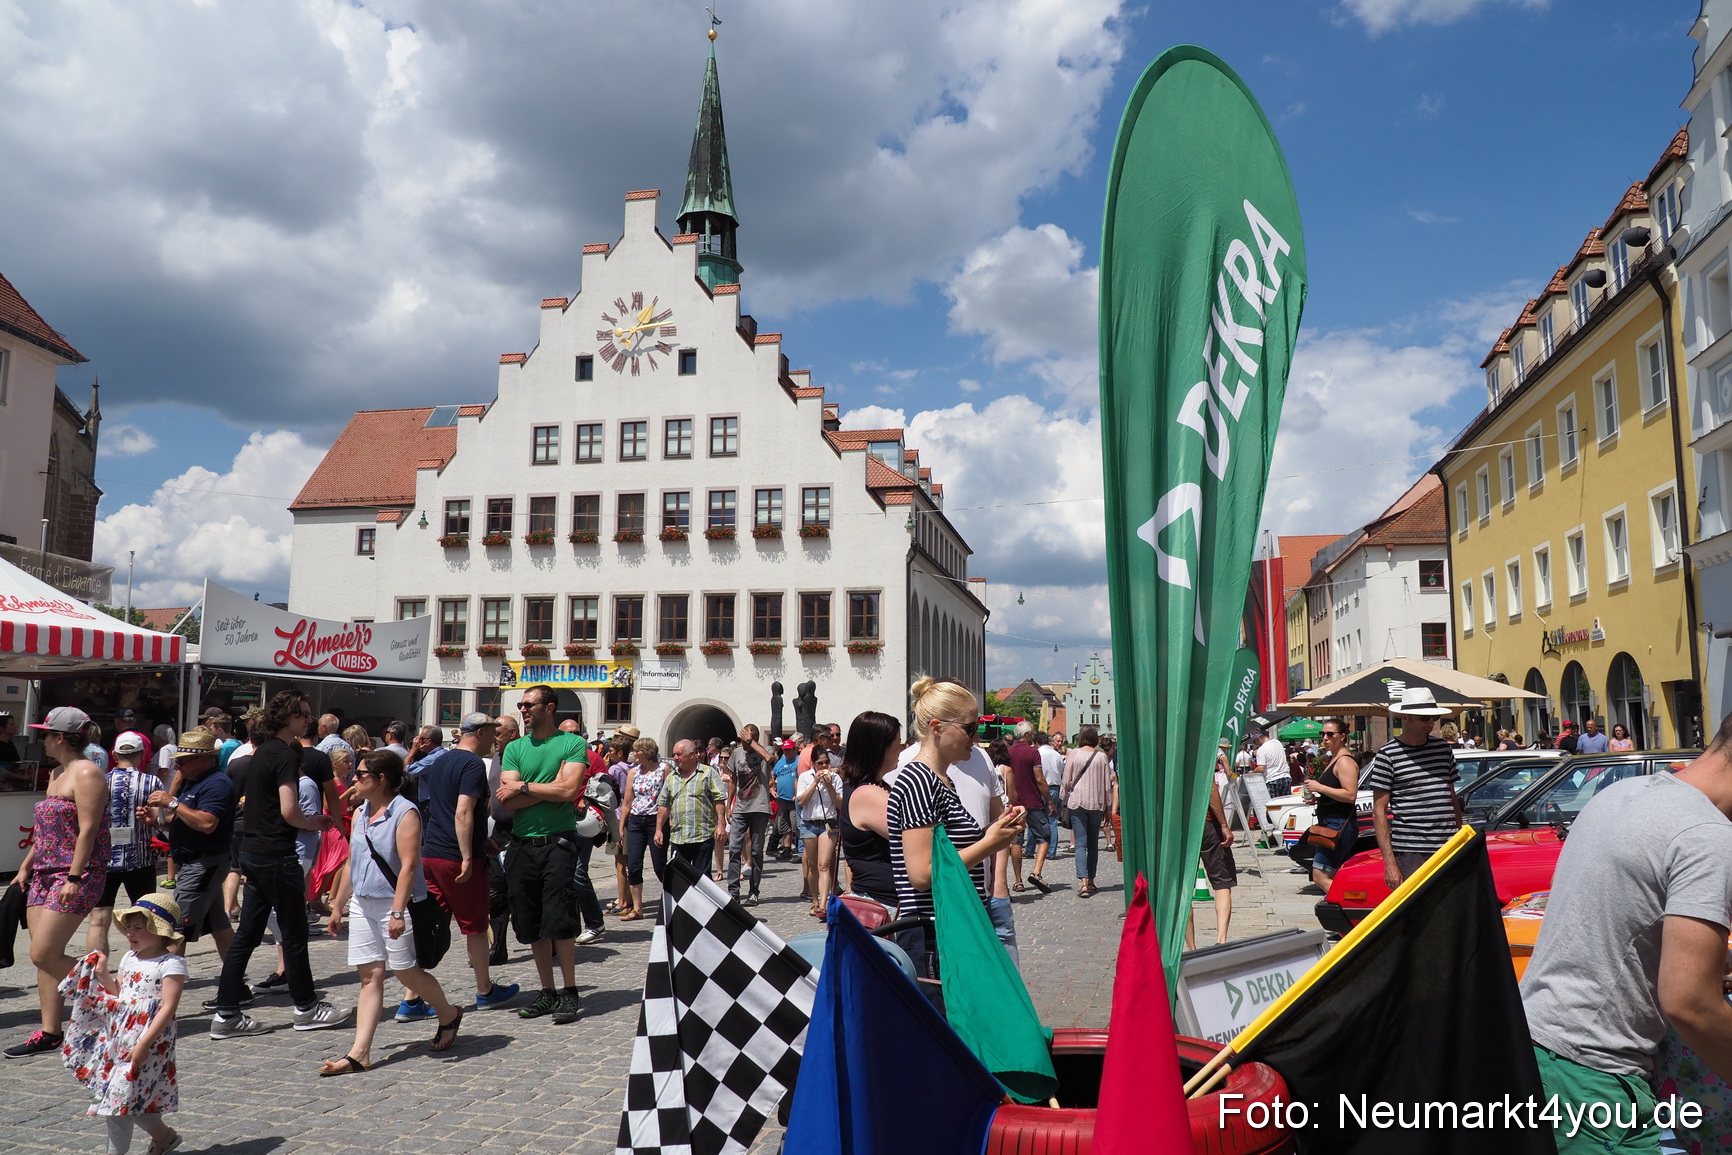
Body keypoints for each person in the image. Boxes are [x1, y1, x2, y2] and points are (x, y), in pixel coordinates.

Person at [1519, 712, 1732, 1154]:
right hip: (1593, 1078)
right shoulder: (1709, 836)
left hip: (1533, 1044)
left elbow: (1612, 925)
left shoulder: (1624, 791)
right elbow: (1689, 1004)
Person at [208, 690, 349, 1039]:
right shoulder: (285, 754)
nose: (307, 719)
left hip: (255, 852)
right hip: (276, 852)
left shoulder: (261, 752)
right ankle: (307, 1007)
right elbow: (289, 809)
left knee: (248, 934)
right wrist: (314, 822)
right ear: (285, 716)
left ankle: (227, 1013)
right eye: (301, 713)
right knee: (295, 932)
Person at [321, 750, 463, 1074]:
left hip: (395, 904)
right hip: (362, 903)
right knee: (370, 977)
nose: (353, 779)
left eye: (360, 775)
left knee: (405, 972)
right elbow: (352, 862)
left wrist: (398, 912)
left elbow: (410, 866)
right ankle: (359, 1053)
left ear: (381, 779)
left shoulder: (405, 812)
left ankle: (448, 1013)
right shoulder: (359, 813)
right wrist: (339, 905)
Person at [886, 678, 1023, 983]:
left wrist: (996, 830)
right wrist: (990, 844)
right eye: (970, 728)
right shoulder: (919, 781)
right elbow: (922, 874)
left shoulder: (940, 779)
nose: (976, 737)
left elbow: (951, 851)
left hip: (949, 928)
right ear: (937, 728)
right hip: (932, 935)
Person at [4, 707, 111, 1058]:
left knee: (43, 952)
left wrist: (74, 877)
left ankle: (115, 998)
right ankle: (51, 1031)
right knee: (42, 958)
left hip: (76, 872)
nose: (42, 739)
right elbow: (46, 832)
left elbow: (89, 829)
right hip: (44, 871)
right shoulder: (56, 773)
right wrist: (25, 868)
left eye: (46, 733)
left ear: (61, 738)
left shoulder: (87, 773)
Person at [59, 892, 187, 1155]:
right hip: (120, 1038)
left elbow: (168, 1007)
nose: (131, 933)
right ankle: (165, 1137)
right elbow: (119, 993)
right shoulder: (130, 957)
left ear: (158, 930)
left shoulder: (171, 963)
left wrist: (143, 1045)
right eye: (129, 927)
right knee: (129, 1098)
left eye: (139, 928)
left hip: (149, 1042)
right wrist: (103, 972)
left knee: (118, 1103)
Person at [494, 684, 585, 1025]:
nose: (523, 709)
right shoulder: (515, 747)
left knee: (559, 919)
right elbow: (506, 799)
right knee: (531, 922)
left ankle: (569, 992)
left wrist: (526, 786)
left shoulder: (572, 743)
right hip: (520, 845)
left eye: (529, 704)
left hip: (557, 843)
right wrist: (551, 789)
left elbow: (569, 790)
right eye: (520, 705)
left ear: (549, 707)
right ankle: (547, 992)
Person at [416, 713, 518, 1011]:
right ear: (480, 733)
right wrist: (467, 855)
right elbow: (462, 812)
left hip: (431, 852)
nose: (495, 739)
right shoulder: (473, 764)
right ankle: (485, 990)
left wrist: (479, 840)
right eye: (492, 733)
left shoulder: (441, 760)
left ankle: (412, 999)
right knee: (474, 926)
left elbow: (442, 808)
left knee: (431, 924)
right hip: (454, 857)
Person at [147, 734, 236, 963]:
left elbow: (207, 823)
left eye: (183, 761)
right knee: (218, 924)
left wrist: (172, 802)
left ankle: (165, 984)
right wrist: (156, 821)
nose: (178, 765)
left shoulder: (217, 784)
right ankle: (234, 978)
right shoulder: (195, 781)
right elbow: (187, 821)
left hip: (203, 863)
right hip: (198, 863)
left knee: (176, 929)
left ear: (204, 760)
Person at [1365, 687, 1461, 893]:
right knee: (1418, 912)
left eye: (1433, 718)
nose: (1430, 723)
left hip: (1447, 846)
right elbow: (1379, 811)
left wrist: (1460, 837)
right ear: (1405, 717)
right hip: (1411, 851)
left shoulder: (1443, 748)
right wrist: (1390, 865)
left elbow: (1451, 796)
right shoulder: (1388, 754)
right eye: (1423, 718)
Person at [86, 731, 164, 956]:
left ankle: (95, 974)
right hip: (140, 860)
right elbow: (161, 821)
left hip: (103, 860)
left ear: (114, 754)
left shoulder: (101, 781)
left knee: (99, 920)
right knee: (145, 917)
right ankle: (145, 966)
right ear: (141, 755)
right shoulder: (152, 782)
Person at [839, 711, 901, 911]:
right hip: (882, 905)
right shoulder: (867, 794)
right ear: (879, 749)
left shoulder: (874, 786)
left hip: (883, 899)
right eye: (897, 743)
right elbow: (916, 836)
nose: (901, 749)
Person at [655, 740, 727, 873]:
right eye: (674, 754)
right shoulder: (671, 777)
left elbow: (719, 800)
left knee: (702, 879)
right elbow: (664, 805)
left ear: (692, 755)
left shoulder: (708, 773)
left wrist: (721, 825)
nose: (676, 758)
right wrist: (658, 829)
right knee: (680, 879)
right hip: (678, 837)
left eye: (679, 754)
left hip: (702, 835)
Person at [1305, 720, 1360, 891]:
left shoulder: (1344, 761)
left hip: (1338, 824)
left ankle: (1348, 909)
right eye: (1323, 734)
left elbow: (1350, 795)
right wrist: (1319, 797)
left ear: (1343, 736)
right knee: (1334, 874)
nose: (1325, 738)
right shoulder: (1334, 759)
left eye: (1330, 734)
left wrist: (1320, 787)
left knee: (1320, 875)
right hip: (1331, 823)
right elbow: (1336, 791)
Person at [1059, 726, 1112, 898]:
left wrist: (1062, 800)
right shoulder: (1102, 756)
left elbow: (1066, 780)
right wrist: (1108, 806)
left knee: (1080, 843)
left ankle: (1082, 882)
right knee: (1093, 844)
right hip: (1096, 804)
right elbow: (1106, 785)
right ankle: (1091, 881)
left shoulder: (1074, 754)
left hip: (1077, 803)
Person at [724, 725, 774, 905]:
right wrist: (729, 805)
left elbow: (768, 758)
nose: (743, 744)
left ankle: (754, 891)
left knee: (756, 851)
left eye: (746, 739)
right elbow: (733, 780)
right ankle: (733, 891)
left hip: (759, 807)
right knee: (734, 848)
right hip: (741, 807)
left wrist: (750, 742)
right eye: (742, 739)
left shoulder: (765, 749)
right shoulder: (737, 753)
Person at [619, 736, 667, 921]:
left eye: (637, 750)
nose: (634, 754)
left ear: (647, 752)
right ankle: (637, 908)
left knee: (659, 865)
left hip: (656, 821)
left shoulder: (664, 769)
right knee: (634, 865)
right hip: (636, 821)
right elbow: (627, 802)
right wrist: (621, 827)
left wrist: (663, 826)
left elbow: (668, 798)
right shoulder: (634, 772)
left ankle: (672, 899)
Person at [1003, 723, 1053, 894]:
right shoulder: (1032, 752)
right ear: (1028, 735)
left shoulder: (1008, 752)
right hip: (1032, 802)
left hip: (1014, 805)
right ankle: (1036, 872)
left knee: (1016, 841)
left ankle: (1018, 881)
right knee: (1045, 836)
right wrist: (1049, 800)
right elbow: (1039, 779)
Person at [796, 741, 844, 920]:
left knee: (824, 865)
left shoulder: (836, 778)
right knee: (812, 865)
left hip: (828, 825)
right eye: (820, 763)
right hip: (809, 824)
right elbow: (801, 801)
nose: (824, 766)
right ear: (813, 764)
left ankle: (823, 904)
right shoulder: (805, 777)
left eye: (826, 762)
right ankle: (815, 901)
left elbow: (840, 803)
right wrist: (815, 782)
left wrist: (829, 786)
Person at [1187, 781, 1236, 948]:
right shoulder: (1203, 755)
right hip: (1208, 824)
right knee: (1222, 882)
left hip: (1181, 827)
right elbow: (1210, 788)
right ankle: (1221, 940)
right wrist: (1224, 824)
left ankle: (1191, 948)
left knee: (1183, 890)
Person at [772, 738, 801, 860]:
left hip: (794, 799)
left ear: (794, 749)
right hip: (782, 799)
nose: (787, 752)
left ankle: (801, 850)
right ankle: (787, 849)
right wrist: (772, 789)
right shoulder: (780, 762)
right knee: (784, 825)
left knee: (796, 825)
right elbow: (772, 776)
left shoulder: (798, 761)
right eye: (785, 750)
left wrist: (797, 793)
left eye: (789, 750)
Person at [1040, 732, 1067, 855]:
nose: (1060, 743)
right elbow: (1062, 771)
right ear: (1052, 741)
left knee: (1038, 819)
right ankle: (1051, 851)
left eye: (1061, 741)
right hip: (1054, 788)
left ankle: (1031, 849)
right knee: (1052, 821)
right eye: (1058, 741)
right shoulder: (1057, 756)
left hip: (1042, 787)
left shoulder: (1039, 753)